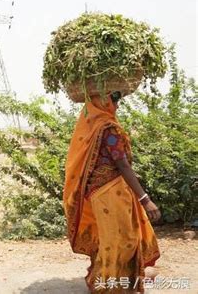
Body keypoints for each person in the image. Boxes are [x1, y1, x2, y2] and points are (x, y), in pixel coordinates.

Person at [63, 91, 161, 293]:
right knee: (122, 240)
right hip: (110, 193)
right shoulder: (108, 129)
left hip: (100, 194)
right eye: (114, 101)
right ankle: (112, 285)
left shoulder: (92, 128)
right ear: (103, 102)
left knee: (110, 240)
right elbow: (122, 165)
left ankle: (113, 280)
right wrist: (145, 199)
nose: (116, 106)